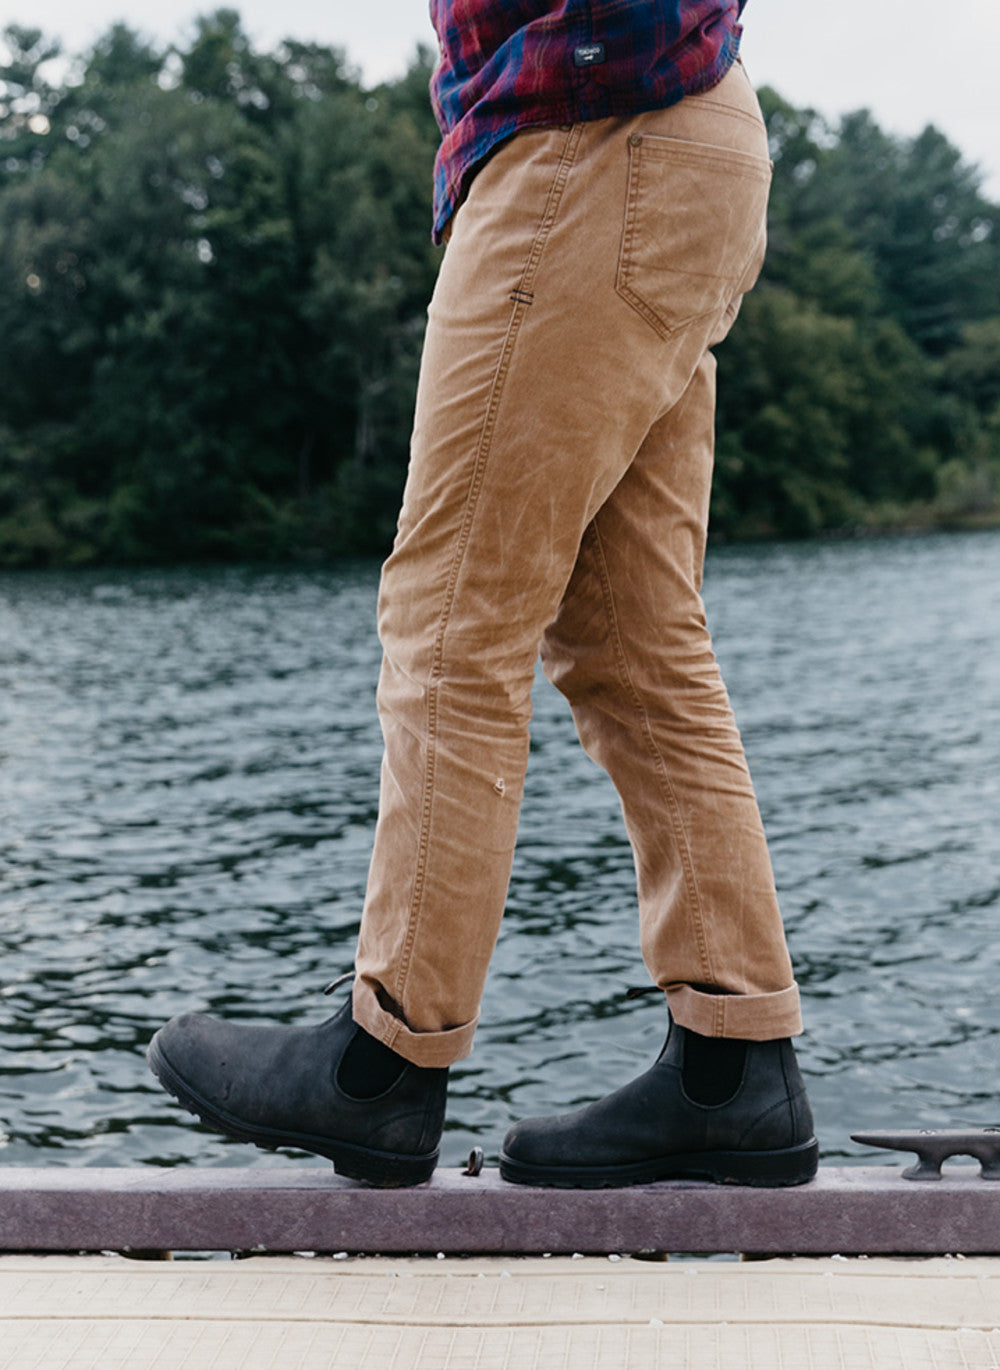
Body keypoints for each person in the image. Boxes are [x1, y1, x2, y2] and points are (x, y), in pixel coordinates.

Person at [148, 0, 818, 1190]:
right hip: (684, 139)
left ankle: (382, 1064)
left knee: (453, 617)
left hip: (591, 132)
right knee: (632, 640)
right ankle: (733, 1064)